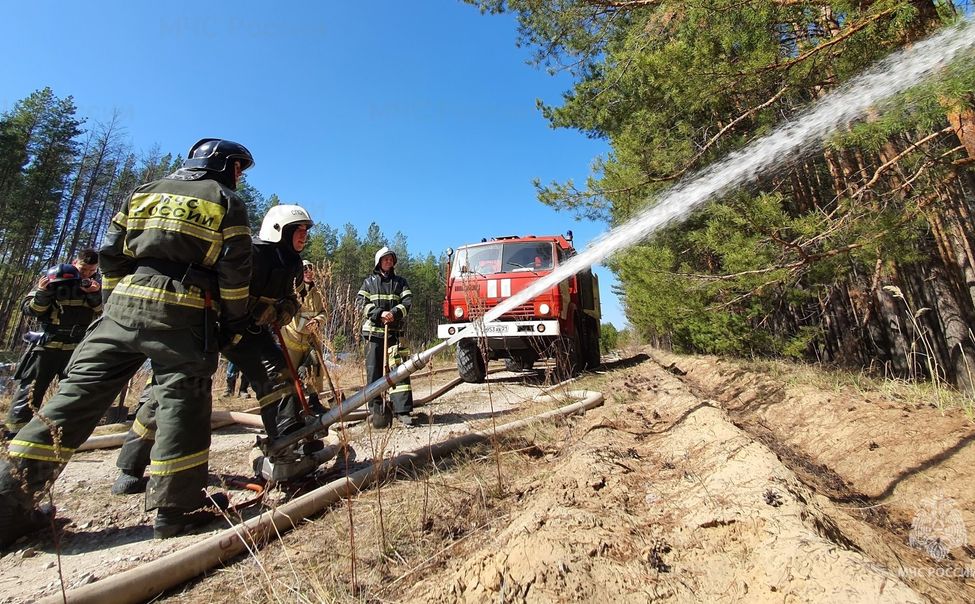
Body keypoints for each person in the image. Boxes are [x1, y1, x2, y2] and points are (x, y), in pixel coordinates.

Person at [0, 138, 254, 546]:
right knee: (182, 401)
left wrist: (115, 301)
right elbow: (235, 269)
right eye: (240, 168)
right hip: (182, 312)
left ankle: (8, 504)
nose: (240, 177)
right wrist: (234, 318)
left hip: (121, 309)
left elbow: (111, 254)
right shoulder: (225, 200)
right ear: (225, 165)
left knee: (72, 400)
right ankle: (176, 512)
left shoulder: (144, 191)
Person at [110, 205, 312, 496]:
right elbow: (221, 285)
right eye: (299, 230)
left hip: (250, 333)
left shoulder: (293, 263)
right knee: (171, 389)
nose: (304, 236)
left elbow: (291, 298)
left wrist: (282, 310)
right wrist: (250, 309)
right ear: (280, 229)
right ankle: (130, 468)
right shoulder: (249, 252)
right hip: (209, 325)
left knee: (278, 376)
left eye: (306, 231)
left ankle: (286, 449)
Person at [4, 249, 102, 435]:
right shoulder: (54, 276)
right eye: (83, 269)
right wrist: (43, 292)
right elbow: (31, 310)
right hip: (47, 345)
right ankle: (14, 433)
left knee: (73, 392)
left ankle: (62, 432)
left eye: (91, 270)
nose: (86, 273)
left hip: (76, 348)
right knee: (30, 391)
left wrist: (94, 294)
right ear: (75, 262)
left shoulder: (95, 285)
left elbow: (102, 311)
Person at [356, 247, 413, 428]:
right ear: (378, 262)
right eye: (385, 259)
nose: (388, 262)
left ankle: (402, 410)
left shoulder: (400, 282)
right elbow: (360, 303)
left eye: (390, 259)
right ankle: (376, 410)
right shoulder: (369, 283)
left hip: (394, 335)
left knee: (399, 371)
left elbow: (407, 301)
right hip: (374, 335)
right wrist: (379, 314)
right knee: (374, 374)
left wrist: (394, 313)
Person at [282, 260, 328, 411]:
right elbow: (290, 314)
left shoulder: (317, 293)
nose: (308, 272)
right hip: (292, 339)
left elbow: (323, 312)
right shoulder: (292, 290)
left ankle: (314, 401)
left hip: (311, 339)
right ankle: (291, 407)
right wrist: (307, 324)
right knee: (291, 374)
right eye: (305, 269)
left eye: (311, 269)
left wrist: (317, 320)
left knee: (315, 369)